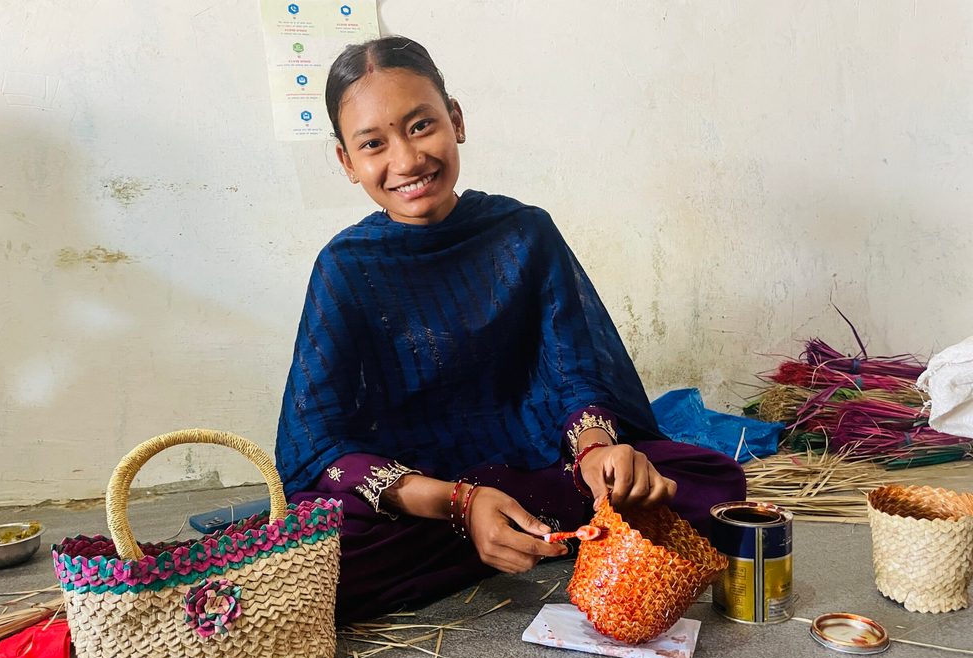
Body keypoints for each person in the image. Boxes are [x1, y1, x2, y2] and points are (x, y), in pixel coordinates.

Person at [276, 36, 745, 624]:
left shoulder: (524, 234)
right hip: (420, 496)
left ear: (456, 121)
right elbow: (319, 443)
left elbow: (577, 371)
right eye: (374, 144)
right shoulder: (345, 268)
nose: (406, 160)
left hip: (537, 465)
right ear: (348, 162)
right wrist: (459, 503)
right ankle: (523, 533)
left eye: (421, 126)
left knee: (706, 479)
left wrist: (599, 453)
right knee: (320, 559)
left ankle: (515, 532)